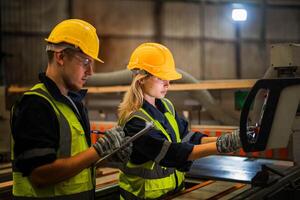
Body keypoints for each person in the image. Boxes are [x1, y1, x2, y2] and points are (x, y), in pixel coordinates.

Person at [10, 19, 130, 199]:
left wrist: (106, 155)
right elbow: (40, 175)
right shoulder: (36, 104)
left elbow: (74, 160)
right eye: (86, 62)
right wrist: (96, 151)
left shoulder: (73, 103)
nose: (90, 72)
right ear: (60, 57)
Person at [117, 42, 241, 199]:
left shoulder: (166, 106)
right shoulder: (135, 120)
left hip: (172, 193)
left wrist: (226, 139)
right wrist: (220, 146)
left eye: (168, 78)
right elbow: (171, 154)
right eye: (161, 77)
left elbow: (186, 137)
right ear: (141, 78)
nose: (167, 84)